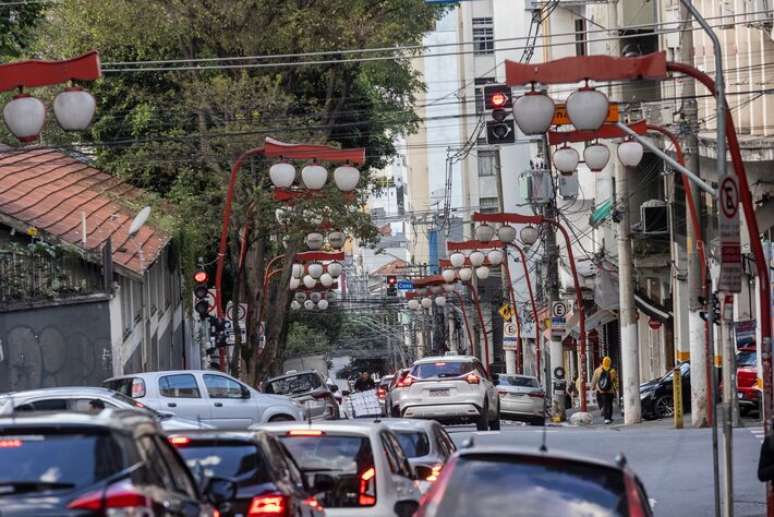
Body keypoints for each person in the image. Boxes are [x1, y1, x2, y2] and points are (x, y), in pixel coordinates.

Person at [591, 356, 618, 424]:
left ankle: (606, 418)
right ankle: (609, 417)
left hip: (601, 391)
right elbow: (615, 381)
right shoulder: (612, 371)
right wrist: (616, 389)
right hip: (610, 391)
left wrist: (593, 387)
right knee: (610, 404)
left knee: (605, 404)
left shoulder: (598, 370)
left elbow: (594, 380)